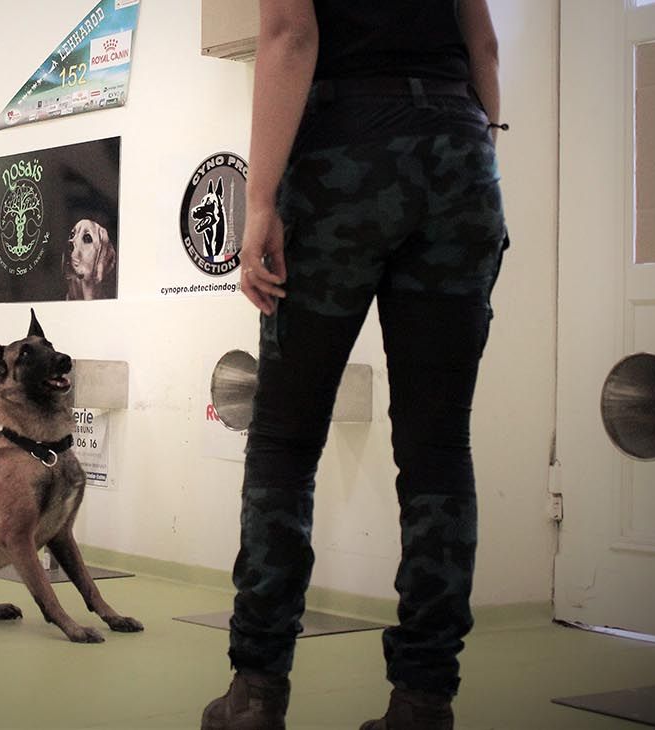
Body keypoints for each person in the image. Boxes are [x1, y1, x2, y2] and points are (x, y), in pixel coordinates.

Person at [201, 1, 506, 729]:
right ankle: (425, 700)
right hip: (460, 145)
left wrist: (261, 203)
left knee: (285, 438)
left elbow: (290, 34)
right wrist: (475, 149)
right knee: (438, 446)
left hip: (346, 148)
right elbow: (484, 44)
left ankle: (258, 689)